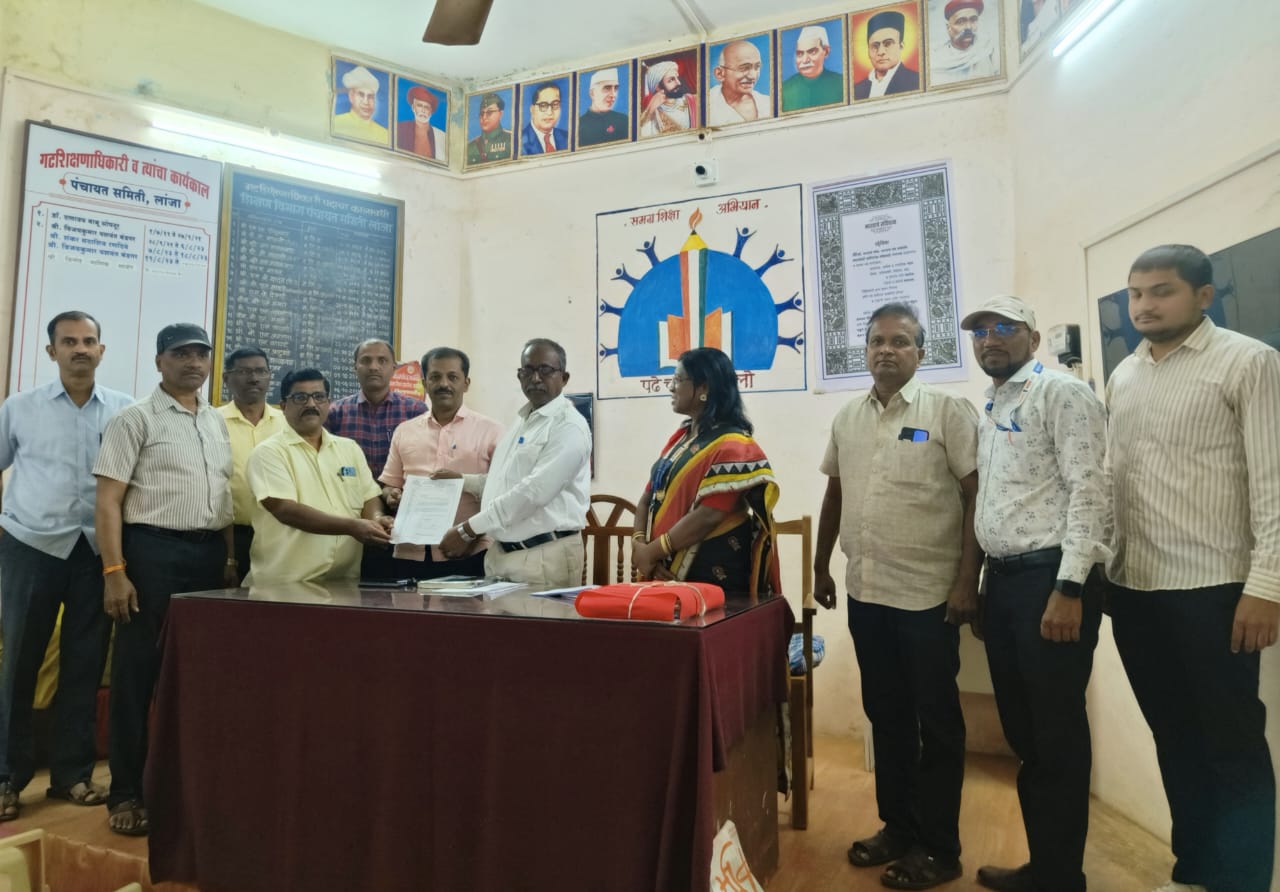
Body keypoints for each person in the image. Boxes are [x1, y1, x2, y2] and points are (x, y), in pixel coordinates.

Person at [1106, 245, 1279, 892]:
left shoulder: (1248, 362)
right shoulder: (1125, 374)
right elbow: (1114, 480)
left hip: (1216, 591)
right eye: (1136, 294)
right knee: (1175, 739)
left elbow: (1273, 483)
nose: (1145, 306)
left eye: (1162, 291)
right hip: (1136, 590)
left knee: (1232, 748)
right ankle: (1194, 873)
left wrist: (1267, 586)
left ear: (1203, 296)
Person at [814, 302, 979, 890]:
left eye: (900, 341)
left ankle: (940, 849)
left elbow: (975, 495)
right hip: (868, 592)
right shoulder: (848, 418)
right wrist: (820, 566)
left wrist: (967, 581)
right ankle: (899, 828)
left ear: (921, 352)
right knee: (886, 716)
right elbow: (835, 493)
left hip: (928, 597)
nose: (886, 350)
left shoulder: (947, 412)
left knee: (937, 724)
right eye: (877, 341)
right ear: (865, 351)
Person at [959, 295, 1110, 892]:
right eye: (980, 332)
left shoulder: (1060, 392)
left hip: (1051, 582)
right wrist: (981, 585)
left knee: (1055, 733)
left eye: (1004, 327)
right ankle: (1046, 867)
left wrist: (1069, 587)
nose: (990, 339)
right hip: (1005, 585)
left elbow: (1090, 491)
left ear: (1034, 338)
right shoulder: (994, 402)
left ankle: (1060, 875)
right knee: (1026, 732)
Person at [93, 323, 236, 836]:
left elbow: (222, 498)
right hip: (151, 553)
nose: (193, 362)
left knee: (195, 678)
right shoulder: (134, 419)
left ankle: (179, 786)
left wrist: (228, 560)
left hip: (207, 557)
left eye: (201, 354)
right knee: (137, 675)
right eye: (181, 354)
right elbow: (107, 501)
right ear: (159, 362)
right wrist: (115, 572)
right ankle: (125, 792)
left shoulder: (215, 421)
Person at [0, 311, 132, 822]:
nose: (80, 349)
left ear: (102, 350)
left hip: (95, 552)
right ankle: (7, 778)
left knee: (84, 662)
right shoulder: (20, 407)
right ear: (51, 351)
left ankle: (71, 775)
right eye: (69, 341)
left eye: (89, 341)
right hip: (31, 546)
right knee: (19, 664)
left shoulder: (123, 410)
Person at [437, 339, 590, 588]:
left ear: (564, 378)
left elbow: (533, 492)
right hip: (503, 554)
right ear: (519, 376)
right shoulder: (524, 420)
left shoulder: (569, 426)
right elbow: (506, 480)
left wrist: (468, 530)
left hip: (544, 556)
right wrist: (463, 481)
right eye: (527, 370)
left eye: (545, 370)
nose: (535, 378)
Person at [631, 347, 779, 593]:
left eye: (678, 379)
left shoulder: (734, 445)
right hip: (661, 567)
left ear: (704, 388)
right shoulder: (681, 437)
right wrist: (640, 546)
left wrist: (652, 552)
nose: (671, 387)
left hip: (710, 577)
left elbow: (709, 516)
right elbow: (648, 497)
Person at [245, 369, 391, 586]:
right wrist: (353, 526)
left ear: (328, 403)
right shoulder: (269, 452)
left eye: (319, 396)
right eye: (300, 397)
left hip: (344, 582)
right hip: (285, 584)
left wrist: (377, 520)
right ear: (283, 406)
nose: (311, 404)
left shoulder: (349, 448)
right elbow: (285, 510)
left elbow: (369, 497)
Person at [379, 348, 504, 579]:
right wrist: (391, 495)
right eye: (435, 377)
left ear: (466, 383)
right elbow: (390, 484)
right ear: (424, 383)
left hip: (470, 551)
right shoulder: (404, 431)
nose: (443, 384)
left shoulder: (492, 431)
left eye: (452, 377)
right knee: (405, 604)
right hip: (410, 552)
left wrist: (470, 535)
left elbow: (503, 490)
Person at [218, 346, 284, 578]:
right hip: (227, 537)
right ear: (226, 379)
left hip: (279, 536)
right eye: (244, 371)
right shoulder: (212, 421)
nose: (254, 378)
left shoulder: (287, 424)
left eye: (261, 371)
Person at [324, 339, 426, 481]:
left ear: (394, 368)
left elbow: (423, 464)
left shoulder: (415, 411)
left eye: (382, 360)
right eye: (366, 360)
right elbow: (327, 465)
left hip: (400, 493)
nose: (373, 367)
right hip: (353, 493)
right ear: (355, 367)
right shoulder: (335, 413)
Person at [853, 10, 921, 100]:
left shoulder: (916, 81)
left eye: (888, 44)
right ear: (868, 51)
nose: (880, 52)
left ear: (901, 46)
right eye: (875, 46)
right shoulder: (856, 90)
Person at [931, 0, 999, 85]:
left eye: (973, 20)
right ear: (948, 28)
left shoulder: (988, 49)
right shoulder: (936, 59)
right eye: (960, 21)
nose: (968, 27)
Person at [780, 24, 845, 112]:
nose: (805, 60)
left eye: (812, 52)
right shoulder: (785, 90)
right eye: (800, 54)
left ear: (826, 52)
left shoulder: (841, 83)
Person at [707, 40, 771, 125]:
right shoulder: (703, 106)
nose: (753, 76)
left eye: (757, 67)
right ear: (720, 73)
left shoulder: (768, 103)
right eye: (744, 68)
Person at [639, 60, 698, 136]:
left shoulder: (692, 100)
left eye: (677, 78)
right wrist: (650, 110)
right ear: (658, 87)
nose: (678, 83)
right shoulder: (654, 116)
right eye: (671, 80)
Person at [332, 65, 388, 143]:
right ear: (351, 96)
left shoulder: (384, 134)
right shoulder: (336, 122)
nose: (366, 102)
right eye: (361, 95)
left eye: (370, 96)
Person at [577, 68, 628, 147]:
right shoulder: (579, 126)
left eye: (616, 88)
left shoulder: (624, 121)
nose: (613, 95)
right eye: (607, 88)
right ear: (592, 93)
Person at [395, 85, 447, 162]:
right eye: (419, 105)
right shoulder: (400, 128)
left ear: (431, 111)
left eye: (426, 107)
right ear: (413, 107)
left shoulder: (441, 136)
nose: (423, 110)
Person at [520, 82, 569, 156]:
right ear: (532, 109)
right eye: (543, 105)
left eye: (555, 104)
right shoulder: (520, 142)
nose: (549, 112)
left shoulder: (567, 137)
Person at [466, 92, 513, 165]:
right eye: (482, 113)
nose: (484, 117)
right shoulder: (470, 147)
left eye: (489, 112)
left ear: (500, 114)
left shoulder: (511, 140)